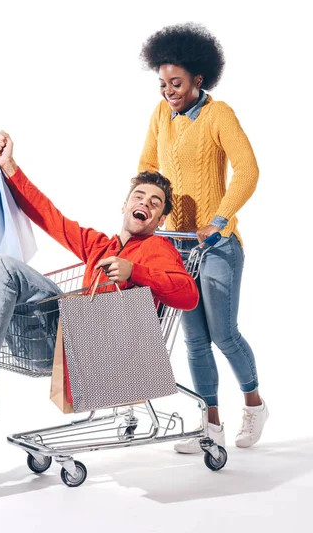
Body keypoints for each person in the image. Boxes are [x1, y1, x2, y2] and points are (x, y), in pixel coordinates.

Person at [0, 132, 198, 434]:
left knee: (3, 266)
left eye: (156, 203)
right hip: (53, 342)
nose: (146, 203)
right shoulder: (98, 244)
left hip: (99, 350)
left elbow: (188, 296)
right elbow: (50, 217)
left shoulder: (158, 249)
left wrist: (135, 271)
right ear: (124, 205)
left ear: (160, 220)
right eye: (139, 197)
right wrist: (9, 166)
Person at [138, 23, 268, 452]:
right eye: (162, 84)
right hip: (174, 246)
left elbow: (247, 172)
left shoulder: (219, 115)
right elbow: (148, 169)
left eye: (176, 83)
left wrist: (219, 218)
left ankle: (254, 406)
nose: (168, 91)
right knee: (193, 339)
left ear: (199, 78)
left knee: (223, 334)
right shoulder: (161, 116)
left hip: (216, 246)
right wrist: (141, 211)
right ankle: (209, 426)